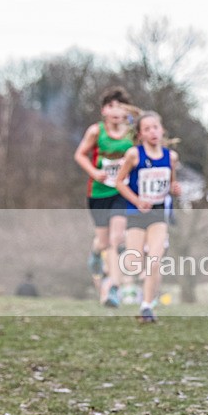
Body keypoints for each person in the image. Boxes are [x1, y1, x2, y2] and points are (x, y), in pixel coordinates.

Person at [115, 111, 181, 323]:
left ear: (162, 130)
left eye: (156, 127)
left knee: (154, 261)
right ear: (141, 134)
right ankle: (138, 278)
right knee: (134, 262)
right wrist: (136, 201)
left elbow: (171, 184)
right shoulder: (134, 155)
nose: (153, 132)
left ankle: (147, 306)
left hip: (158, 214)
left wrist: (175, 188)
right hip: (136, 213)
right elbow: (119, 182)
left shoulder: (171, 157)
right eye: (147, 129)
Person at [74, 86, 136, 308]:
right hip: (98, 193)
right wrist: (94, 172)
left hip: (121, 192)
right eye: (111, 106)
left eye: (120, 105)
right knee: (102, 241)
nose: (115, 110)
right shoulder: (96, 131)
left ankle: (111, 288)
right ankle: (95, 253)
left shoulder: (132, 133)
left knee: (116, 239)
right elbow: (79, 154)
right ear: (103, 111)